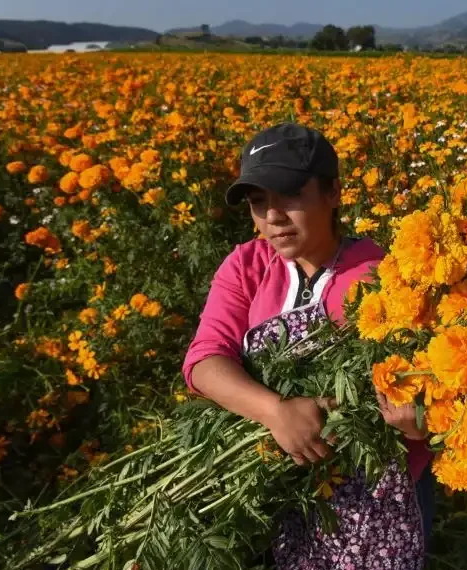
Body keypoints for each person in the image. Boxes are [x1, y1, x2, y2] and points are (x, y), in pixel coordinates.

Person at [182, 123, 434, 569]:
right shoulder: (247, 265)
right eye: (259, 203)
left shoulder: (387, 278)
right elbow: (204, 360)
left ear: (333, 192)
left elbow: (436, 402)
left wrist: (421, 423)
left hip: (378, 509)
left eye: (289, 196)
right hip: (281, 493)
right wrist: (275, 411)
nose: (272, 217)